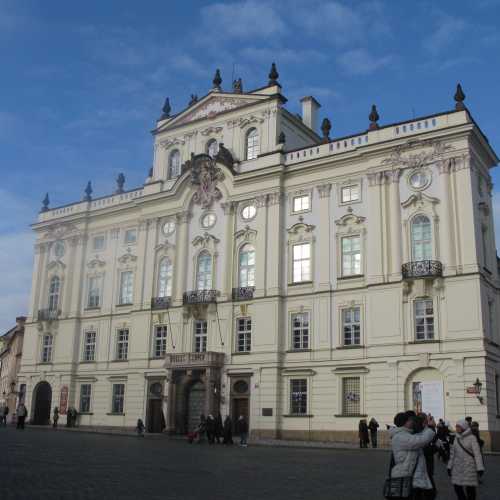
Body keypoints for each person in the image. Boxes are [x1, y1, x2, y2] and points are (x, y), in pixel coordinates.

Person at [389, 411, 436, 500]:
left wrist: (426, 426)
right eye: (410, 420)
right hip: (407, 476)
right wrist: (430, 427)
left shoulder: (405, 434)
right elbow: (421, 440)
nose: (412, 422)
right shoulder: (400, 436)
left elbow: (418, 437)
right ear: (405, 423)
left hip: (411, 476)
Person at [448, 419, 484, 500]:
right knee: (457, 486)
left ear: (463, 427)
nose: (456, 428)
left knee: (470, 489)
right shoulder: (456, 438)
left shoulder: (472, 438)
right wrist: (449, 466)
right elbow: (452, 454)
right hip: (458, 467)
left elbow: (477, 454)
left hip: (469, 467)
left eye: (458, 426)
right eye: (456, 426)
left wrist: (480, 468)